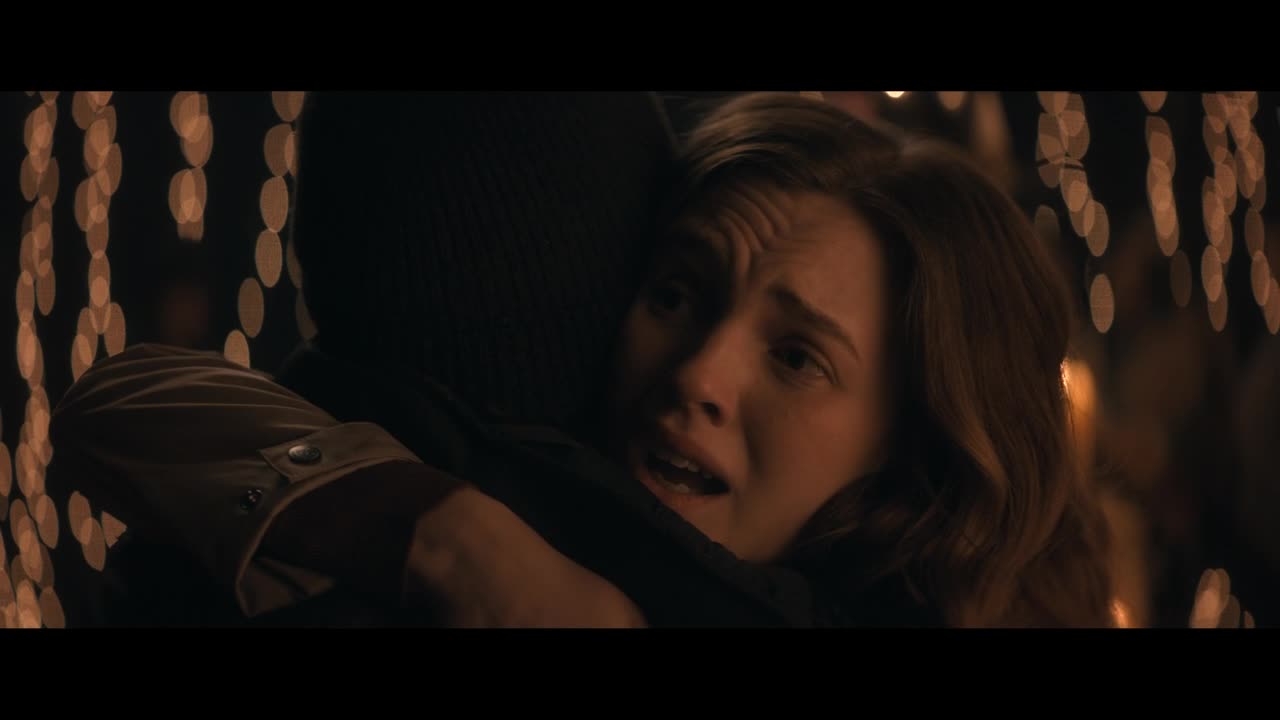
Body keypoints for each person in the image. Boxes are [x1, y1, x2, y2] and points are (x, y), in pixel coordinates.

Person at [49, 92, 1114, 627]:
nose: (697, 375)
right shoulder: (516, 483)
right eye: (676, 295)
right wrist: (458, 542)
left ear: (907, 445)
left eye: (796, 356)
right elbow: (133, 405)